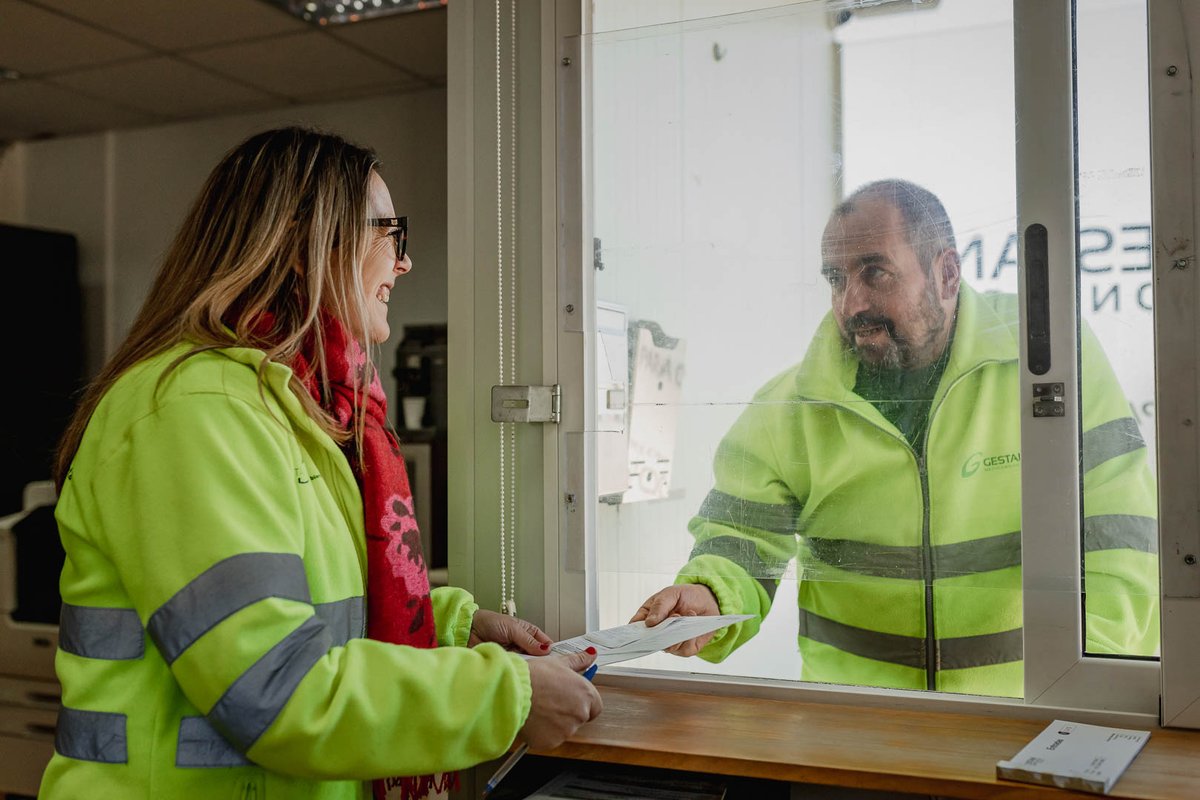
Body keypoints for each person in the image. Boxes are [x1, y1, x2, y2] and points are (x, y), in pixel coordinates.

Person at [39, 126, 602, 800]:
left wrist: (452, 628)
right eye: (391, 233)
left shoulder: (291, 408)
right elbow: (276, 690)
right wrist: (504, 696)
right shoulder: (195, 409)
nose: (404, 263)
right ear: (309, 246)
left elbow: (312, 607)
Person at [631, 178, 1159, 698]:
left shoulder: (1046, 363)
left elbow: (1119, 532)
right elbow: (742, 542)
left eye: (875, 272)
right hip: (858, 730)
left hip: (1028, 717)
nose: (852, 303)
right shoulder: (791, 406)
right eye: (836, 279)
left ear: (946, 273)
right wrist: (709, 593)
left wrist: (1089, 683)